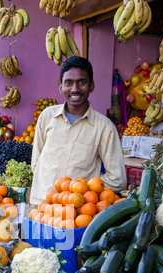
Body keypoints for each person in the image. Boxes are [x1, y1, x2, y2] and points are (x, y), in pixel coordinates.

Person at [30, 56, 127, 206]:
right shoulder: (47, 116)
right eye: (68, 83)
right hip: (39, 207)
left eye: (81, 82)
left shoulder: (104, 127)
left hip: (75, 215)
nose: (75, 89)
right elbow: (36, 163)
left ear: (91, 86)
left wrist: (83, 191)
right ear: (61, 86)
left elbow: (118, 179)